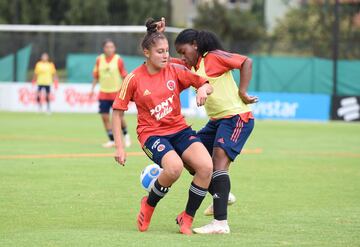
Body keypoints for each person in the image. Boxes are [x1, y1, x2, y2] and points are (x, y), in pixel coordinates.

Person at [112, 18, 213, 235]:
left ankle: (186, 218)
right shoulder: (133, 79)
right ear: (146, 53)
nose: (165, 55)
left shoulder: (174, 70)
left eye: (167, 50)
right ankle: (148, 205)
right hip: (151, 135)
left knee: (206, 167)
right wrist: (119, 147)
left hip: (180, 130)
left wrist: (204, 89)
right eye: (160, 51)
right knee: (174, 168)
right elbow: (117, 111)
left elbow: (203, 81)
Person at [173, 28, 258, 234]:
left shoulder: (212, 57)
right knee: (188, 155)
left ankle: (220, 223)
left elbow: (246, 61)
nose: (182, 57)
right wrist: (153, 34)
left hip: (236, 117)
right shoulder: (191, 65)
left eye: (183, 51)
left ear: (195, 44)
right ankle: (223, 195)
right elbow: (159, 58)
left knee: (218, 159)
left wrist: (242, 91)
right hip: (216, 122)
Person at [90, 39, 131, 148]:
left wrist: (126, 91)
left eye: (111, 47)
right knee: (105, 118)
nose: (109, 49)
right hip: (103, 94)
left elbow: (124, 76)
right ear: (104, 48)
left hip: (116, 94)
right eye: (107, 47)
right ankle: (112, 140)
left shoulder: (118, 60)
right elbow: (95, 76)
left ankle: (126, 136)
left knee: (119, 118)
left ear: (114, 48)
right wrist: (92, 90)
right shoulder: (99, 60)